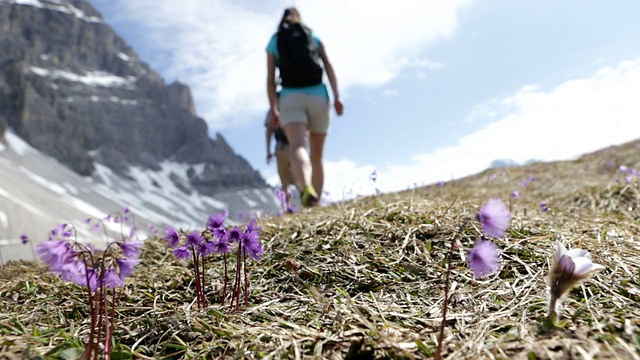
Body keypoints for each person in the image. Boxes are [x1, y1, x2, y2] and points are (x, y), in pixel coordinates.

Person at [266, 7, 344, 208]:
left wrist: (273, 107)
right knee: (317, 156)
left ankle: (305, 187)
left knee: (298, 146)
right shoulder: (313, 37)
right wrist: (337, 97)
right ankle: (316, 205)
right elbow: (328, 67)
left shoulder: (275, 41)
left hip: (290, 97)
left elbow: (269, 80)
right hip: (319, 95)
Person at [265, 102, 294, 211]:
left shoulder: (272, 111)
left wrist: (268, 151)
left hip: (281, 147)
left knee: (285, 181)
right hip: (295, 146)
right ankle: (308, 205)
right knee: (300, 178)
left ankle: (289, 208)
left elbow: (268, 130)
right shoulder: (293, 104)